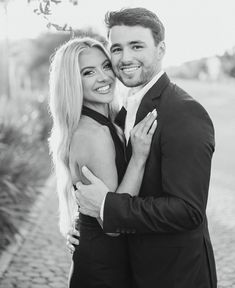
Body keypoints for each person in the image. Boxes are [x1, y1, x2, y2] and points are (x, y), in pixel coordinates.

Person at [70, 7, 217, 288]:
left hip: (174, 276)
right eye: (116, 49)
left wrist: (106, 207)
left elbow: (187, 210)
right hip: (131, 269)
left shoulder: (184, 113)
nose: (125, 58)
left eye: (136, 46)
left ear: (160, 49)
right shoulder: (124, 110)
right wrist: (83, 231)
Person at [48, 36, 157, 287]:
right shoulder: (93, 134)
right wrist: (138, 158)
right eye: (88, 72)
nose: (104, 77)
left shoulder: (107, 120)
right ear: (71, 82)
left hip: (105, 255)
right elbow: (112, 225)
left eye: (106, 66)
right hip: (104, 266)